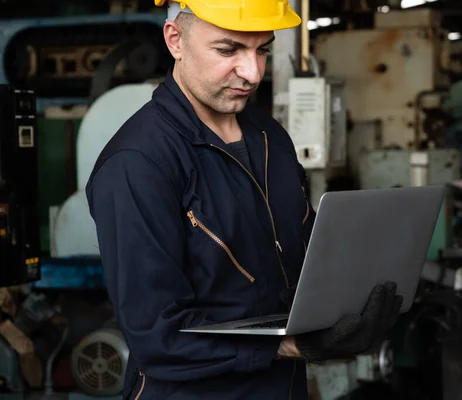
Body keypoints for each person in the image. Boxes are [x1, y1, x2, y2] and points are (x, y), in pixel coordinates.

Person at [85, 0, 402, 399]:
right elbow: (157, 337)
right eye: (228, 50)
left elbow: (305, 260)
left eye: (263, 50)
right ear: (175, 40)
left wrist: (356, 292)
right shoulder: (138, 164)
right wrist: (294, 346)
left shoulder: (270, 137)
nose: (251, 73)